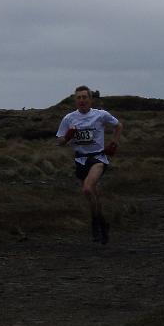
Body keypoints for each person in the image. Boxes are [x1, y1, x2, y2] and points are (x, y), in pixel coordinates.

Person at [56, 86, 122, 244]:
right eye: (78, 98)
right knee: (93, 195)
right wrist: (67, 137)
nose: (82, 100)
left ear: (90, 100)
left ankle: (94, 225)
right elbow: (59, 141)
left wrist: (113, 144)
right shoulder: (69, 118)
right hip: (80, 160)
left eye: (85, 97)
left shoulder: (100, 115)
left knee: (87, 188)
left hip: (98, 159)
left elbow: (118, 126)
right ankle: (103, 224)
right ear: (75, 100)